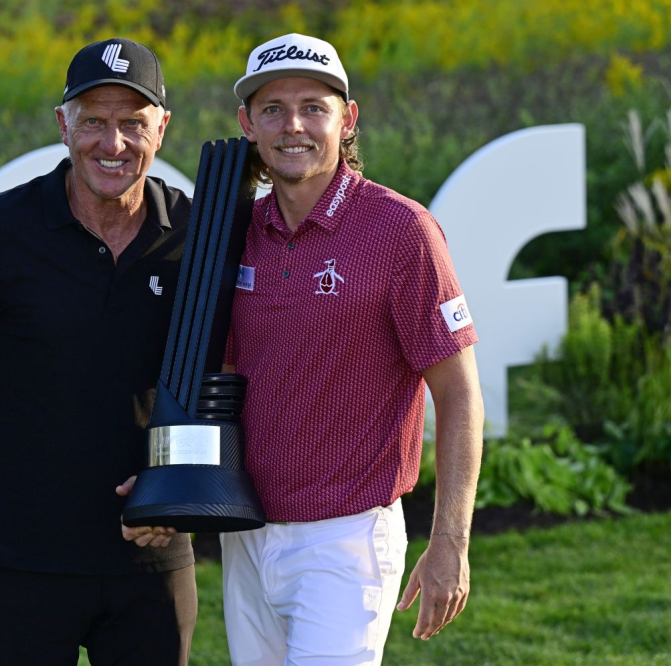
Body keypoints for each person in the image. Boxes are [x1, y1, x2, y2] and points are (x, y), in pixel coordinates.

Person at [126, 33, 484, 664]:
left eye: (313, 107)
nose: (293, 126)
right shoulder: (235, 231)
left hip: (345, 541)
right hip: (248, 532)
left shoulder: (402, 231)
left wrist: (451, 539)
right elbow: (220, 376)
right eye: (272, 108)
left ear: (346, 119)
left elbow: (458, 393)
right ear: (247, 123)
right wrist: (171, 479)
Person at [0, 37, 196, 666]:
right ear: (63, 124)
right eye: (93, 120)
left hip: (152, 551)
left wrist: (179, 486)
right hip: (21, 560)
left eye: (132, 123)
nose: (112, 143)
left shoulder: (198, 237)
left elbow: (225, 375)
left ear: (162, 129)